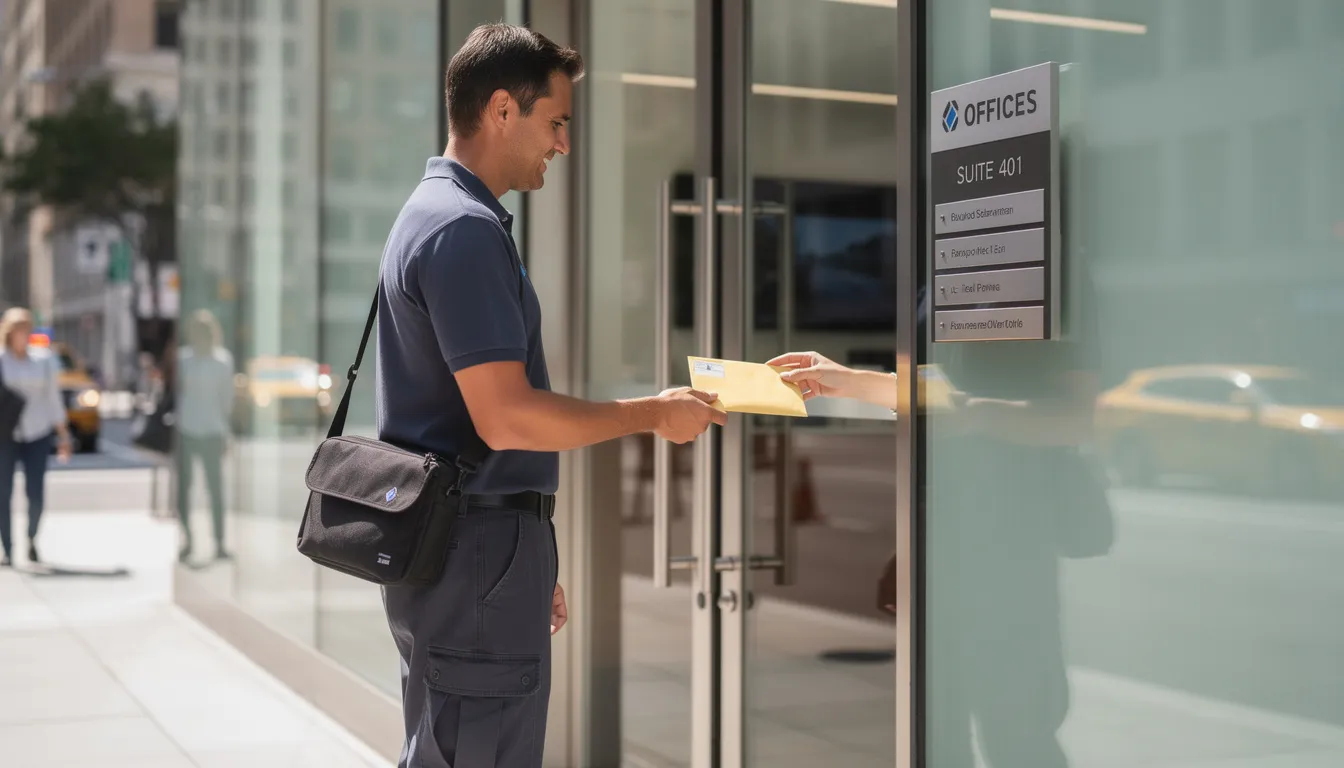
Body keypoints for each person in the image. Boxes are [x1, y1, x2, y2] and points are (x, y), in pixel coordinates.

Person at [375, 24, 724, 768]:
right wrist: (653, 414)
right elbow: (507, 416)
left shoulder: (434, 214)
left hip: (475, 555)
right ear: (503, 109)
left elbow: (467, 421)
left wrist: (527, 560)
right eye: (556, 121)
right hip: (474, 557)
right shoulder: (462, 231)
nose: (563, 145)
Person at [0, 308, 73, 566]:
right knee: (3, 492)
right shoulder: (1, 360)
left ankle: (32, 538)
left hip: (38, 432)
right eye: (17, 330)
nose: (22, 335)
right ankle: (7, 548)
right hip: (6, 434)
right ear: (9, 333)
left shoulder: (43, 360)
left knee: (36, 493)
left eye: (26, 329)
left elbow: (53, 400)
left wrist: (63, 436)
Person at [175, 310, 234, 563]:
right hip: (186, 430)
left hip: (212, 430)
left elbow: (226, 400)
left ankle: (219, 542)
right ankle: (187, 539)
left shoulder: (222, 361)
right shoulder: (184, 359)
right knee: (184, 490)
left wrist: (225, 432)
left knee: (215, 489)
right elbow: (175, 394)